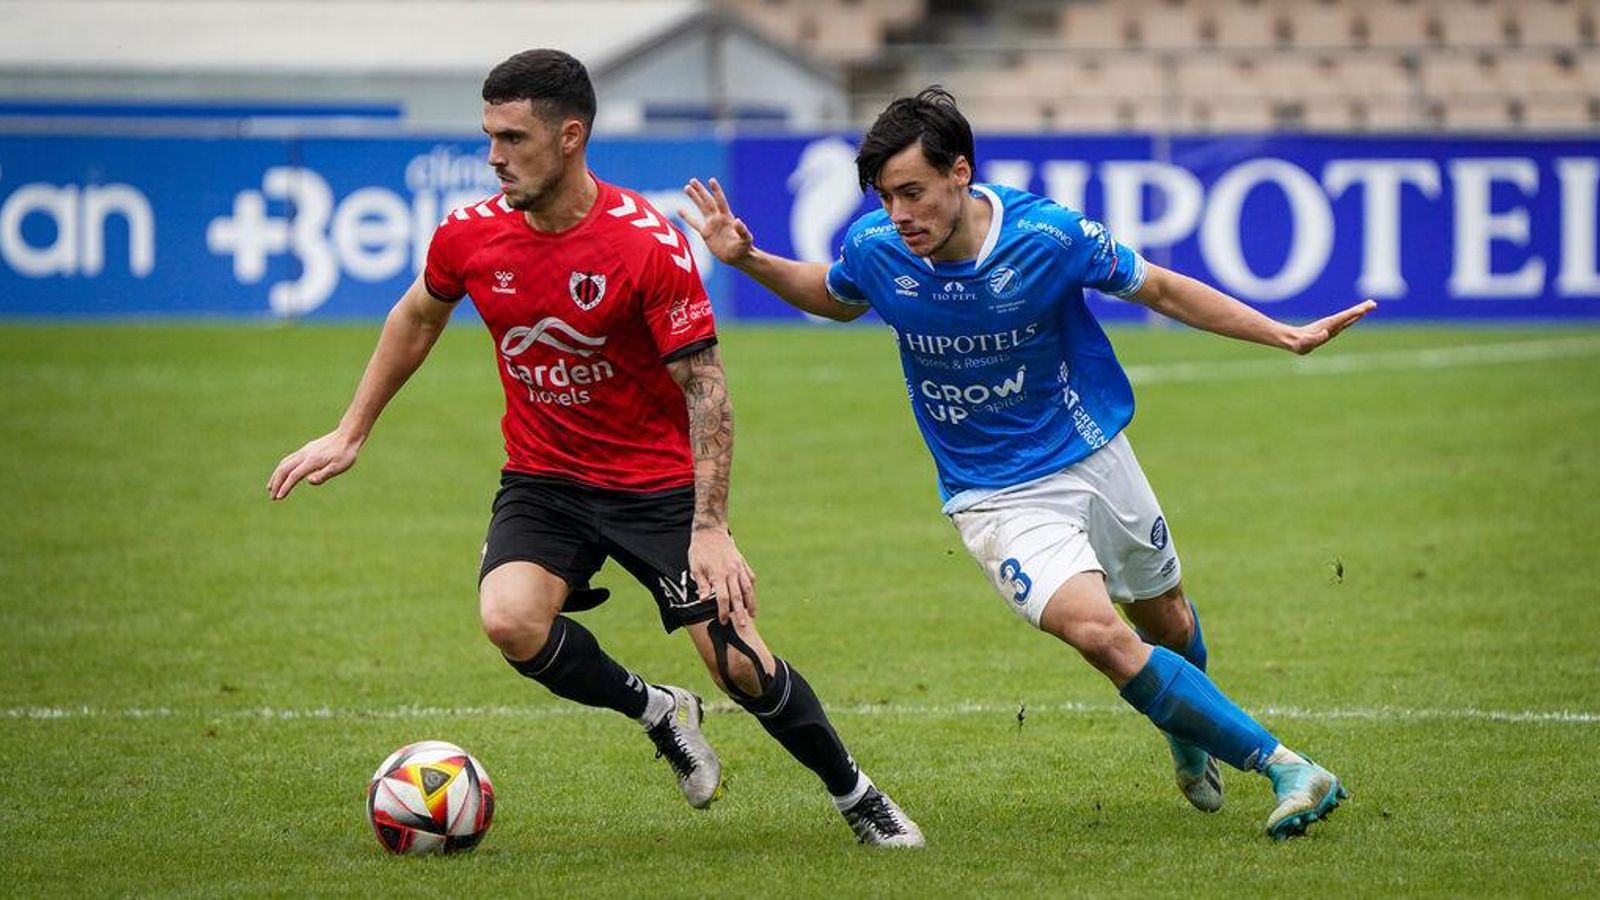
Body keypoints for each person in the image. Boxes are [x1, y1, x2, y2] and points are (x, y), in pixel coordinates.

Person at [266, 49, 922, 848]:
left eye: (512, 138)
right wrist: (351, 429)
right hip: (544, 479)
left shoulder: (644, 245)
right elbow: (417, 315)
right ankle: (658, 712)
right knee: (509, 620)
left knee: (740, 666)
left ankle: (858, 796)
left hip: (656, 489)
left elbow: (705, 388)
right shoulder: (469, 237)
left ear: (570, 136)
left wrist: (709, 527)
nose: (493, 157)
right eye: (488, 136)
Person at [682, 87, 1370, 840]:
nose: (899, 213)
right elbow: (835, 294)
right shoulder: (878, 249)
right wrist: (748, 259)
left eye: (912, 192)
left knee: (1166, 620)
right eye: (885, 197)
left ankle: (1187, 734)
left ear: (960, 172)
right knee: (1099, 634)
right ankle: (1286, 767)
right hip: (994, 494)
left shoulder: (1046, 235)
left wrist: (1283, 335)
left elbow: (1163, 288)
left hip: (1094, 452)